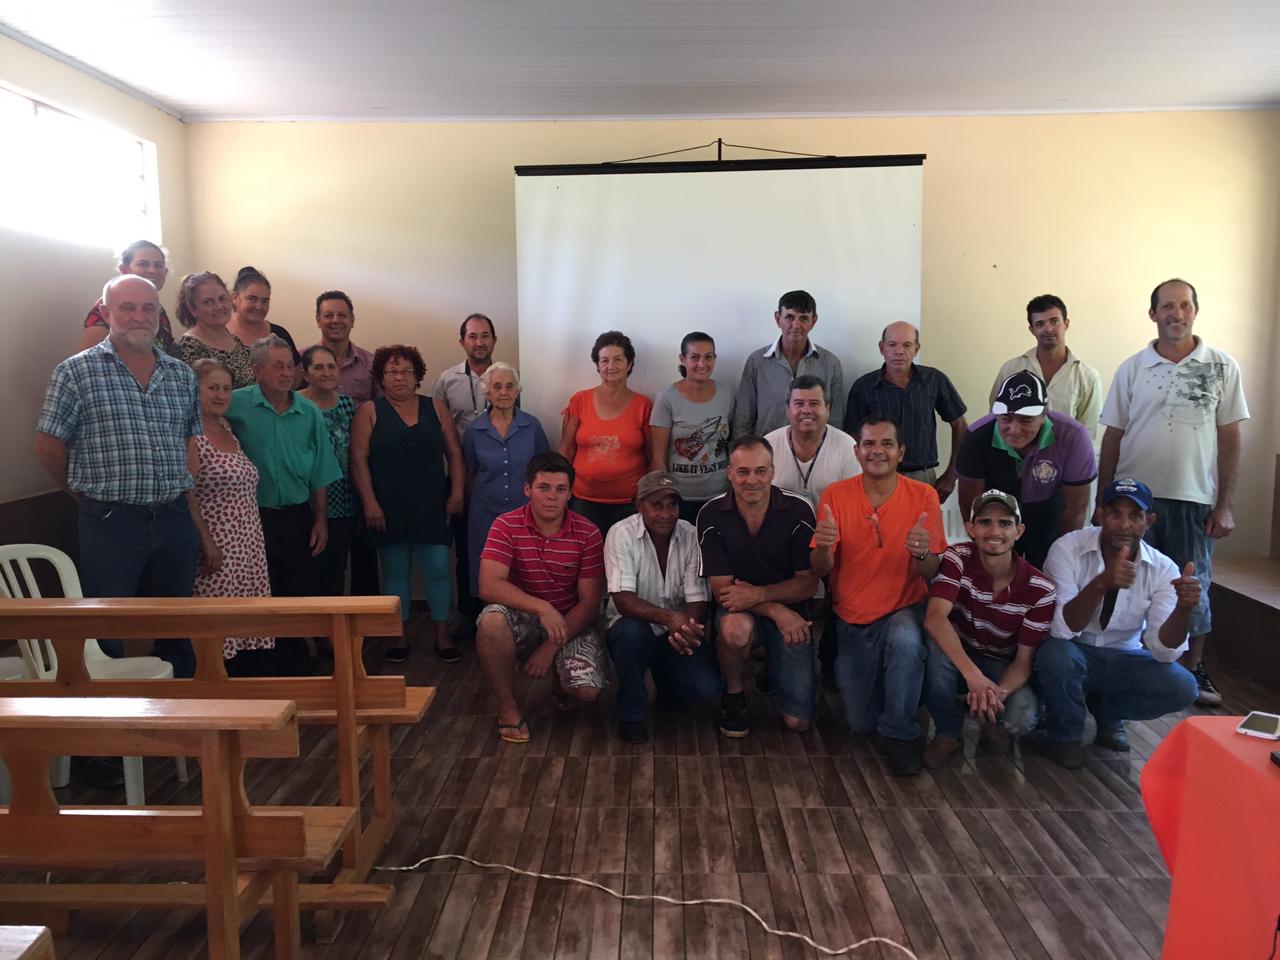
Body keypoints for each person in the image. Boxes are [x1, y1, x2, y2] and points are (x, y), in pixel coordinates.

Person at [36, 274, 200, 678]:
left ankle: (183, 713)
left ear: (159, 316)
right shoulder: (75, 373)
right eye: (127, 307)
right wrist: (78, 495)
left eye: (148, 308)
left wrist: (184, 484)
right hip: (111, 522)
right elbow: (48, 447)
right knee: (106, 626)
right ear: (107, 313)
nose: (139, 316)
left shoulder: (181, 375)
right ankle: (111, 727)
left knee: (179, 622)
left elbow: (190, 441)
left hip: (174, 518)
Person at [1096, 278, 1249, 707]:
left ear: (1195, 311)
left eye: (1183, 306)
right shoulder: (1132, 368)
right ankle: (1121, 659)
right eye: (1166, 306)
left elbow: (1231, 437)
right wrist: (1101, 499)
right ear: (1153, 314)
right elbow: (1114, 435)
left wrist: (1226, 504)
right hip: (1132, 500)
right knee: (1124, 580)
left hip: (1192, 499)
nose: (1175, 314)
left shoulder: (1222, 367)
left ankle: (1192, 669)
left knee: (1191, 582)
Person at [812, 414, 946, 776]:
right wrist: (823, 546)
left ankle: (901, 734)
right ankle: (903, 695)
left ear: (901, 452)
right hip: (852, 619)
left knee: (905, 640)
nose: (877, 451)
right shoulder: (835, 495)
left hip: (904, 608)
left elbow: (930, 571)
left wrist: (921, 553)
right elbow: (821, 568)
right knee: (859, 722)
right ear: (856, 451)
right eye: (869, 444)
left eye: (887, 444)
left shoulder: (924, 496)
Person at [1035, 478, 1201, 769]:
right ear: (1100, 515)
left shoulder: (1164, 569)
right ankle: (1065, 735)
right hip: (1076, 651)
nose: (1124, 525)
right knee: (1055, 655)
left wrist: (1184, 610)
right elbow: (1061, 629)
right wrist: (1101, 583)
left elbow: (1164, 652)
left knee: (1183, 687)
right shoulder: (1067, 548)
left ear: (1149, 521)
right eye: (1115, 513)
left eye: (1135, 516)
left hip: (1125, 656)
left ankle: (1108, 712)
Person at [225, 335, 340, 675]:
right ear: (256, 371)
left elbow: (321, 470)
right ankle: (259, 667)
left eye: (290, 365)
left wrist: (321, 521)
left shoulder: (309, 413)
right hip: (250, 518)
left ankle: (295, 666)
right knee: (259, 591)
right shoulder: (234, 404)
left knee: (296, 589)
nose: (287, 372)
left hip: (296, 515)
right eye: (278, 366)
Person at [475, 452, 609, 743]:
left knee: (587, 691)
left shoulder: (588, 533)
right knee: (491, 622)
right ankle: (508, 707)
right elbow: (488, 585)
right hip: (525, 616)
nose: (552, 497)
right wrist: (541, 607)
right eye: (543, 488)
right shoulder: (505, 525)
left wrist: (549, 648)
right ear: (528, 489)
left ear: (571, 493)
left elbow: (589, 603)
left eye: (560, 489)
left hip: (569, 622)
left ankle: (562, 680)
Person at [921, 490, 1055, 768]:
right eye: (985, 522)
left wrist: (993, 694)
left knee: (1022, 716)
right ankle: (948, 732)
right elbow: (935, 618)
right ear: (970, 529)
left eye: (1005, 523)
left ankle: (991, 720)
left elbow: (1023, 662)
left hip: (1001, 666)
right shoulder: (956, 557)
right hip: (958, 656)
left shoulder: (1041, 589)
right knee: (935, 648)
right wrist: (973, 676)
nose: (995, 531)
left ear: (1019, 531)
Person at [698, 436, 818, 738]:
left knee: (797, 723)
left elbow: (808, 583)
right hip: (742, 610)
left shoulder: (800, 510)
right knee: (735, 629)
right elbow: (723, 592)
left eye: (760, 471)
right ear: (729, 473)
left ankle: (773, 671)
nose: (752, 480)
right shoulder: (711, 514)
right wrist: (776, 609)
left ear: (773, 471)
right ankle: (734, 694)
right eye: (743, 472)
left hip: (792, 614)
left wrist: (762, 596)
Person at [351, 345, 464, 664]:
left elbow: (454, 453)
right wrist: (370, 503)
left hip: (432, 503)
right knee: (395, 572)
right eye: (391, 371)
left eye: (406, 371)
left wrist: (456, 492)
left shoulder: (436, 407)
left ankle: (442, 636)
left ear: (417, 377)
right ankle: (397, 636)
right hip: (387, 506)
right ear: (381, 377)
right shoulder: (369, 411)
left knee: (439, 570)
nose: (399, 377)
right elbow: (358, 459)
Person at [605, 471, 720, 744]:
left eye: (672, 505)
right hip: (634, 627)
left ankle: (668, 683)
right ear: (639, 505)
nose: (666, 514)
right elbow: (623, 599)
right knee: (631, 634)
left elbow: (697, 600)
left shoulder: (691, 535)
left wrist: (685, 632)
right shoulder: (620, 534)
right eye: (657, 505)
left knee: (707, 688)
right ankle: (632, 713)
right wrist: (670, 618)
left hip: (677, 631)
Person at [186, 359, 276, 677]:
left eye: (226, 388)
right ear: (194, 390)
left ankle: (242, 689)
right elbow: (188, 493)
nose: (221, 394)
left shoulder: (227, 429)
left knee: (243, 620)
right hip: (217, 544)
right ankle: (215, 689)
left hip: (247, 542)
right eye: (212, 388)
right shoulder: (191, 435)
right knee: (217, 622)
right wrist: (206, 542)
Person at [955, 370, 1096, 568]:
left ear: (1044, 416)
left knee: (1048, 581)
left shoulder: (1073, 436)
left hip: (1050, 517)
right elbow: (970, 505)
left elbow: (1076, 509)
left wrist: (1064, 556)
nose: (1014, 429)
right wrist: (987, 549)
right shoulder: (977, 436)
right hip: (998, 519)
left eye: (1026, 420)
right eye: (1006, 418)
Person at [433, 313, 502, 638]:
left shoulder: (506, 377)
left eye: (485, 335)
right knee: (467, 548)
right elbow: (441, 433)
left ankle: (507, 616)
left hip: (497, 479)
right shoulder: (446, 382)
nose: (479, 342)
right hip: (461, 479)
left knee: (506, 549)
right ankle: (469, 614)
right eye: (472, 336)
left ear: (494, 340)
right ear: (462, 341)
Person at [844, 322, 967, 503]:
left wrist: (951, 475)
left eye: (907, 345)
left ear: (917, 349)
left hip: (922, 477)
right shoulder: (863, 387)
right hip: (876, 476)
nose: (899, 351)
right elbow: (851, 435)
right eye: (892, 344)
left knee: (922, 530)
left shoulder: (934, 380)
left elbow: (960, 425)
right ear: (882, 348)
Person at [463, 361, 550, 599]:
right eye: (497, 386)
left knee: (527, 570)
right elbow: (470, 472)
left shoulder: (532, 426)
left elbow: (544, 470)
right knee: (487, 570)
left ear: (517, 390)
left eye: (510, 386)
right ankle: (490, 625)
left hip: (526, 513)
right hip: (485, 514)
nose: (504, 392)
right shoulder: (474, 430)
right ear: (487, 391)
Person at [559, 330, 654, 538]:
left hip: (629, 504)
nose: (611, 366)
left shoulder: (643, 405)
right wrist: (560, 491)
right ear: (598, 365)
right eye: (604, 361)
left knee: (624, 565)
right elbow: (565, 449)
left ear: (629, 364)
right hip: (583, 501)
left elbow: (652, 456)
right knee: (587, 564)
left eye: (618, 359)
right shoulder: (579, 401)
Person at [989, 294, 1103, 440]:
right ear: (1032, 329)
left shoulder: (1088, 376)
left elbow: (1087, 431)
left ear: (1066, 324)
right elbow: (996, 417)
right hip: (1016, 458)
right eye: (1040, 324)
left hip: (1064, 458)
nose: (1048, 329)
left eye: (1054, 321)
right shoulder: (1011, 369)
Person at [649, 331, 735, 525]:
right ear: (683, 359)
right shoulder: (667, 397)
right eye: (694, 357)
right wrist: (665, 499)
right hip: (680, 498)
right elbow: (657, 457)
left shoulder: (727, 394)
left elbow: (729, 443)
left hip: (720, 496)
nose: (701, 364)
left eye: (708, 357)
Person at [733, 290, 845, 437]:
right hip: (766, 454)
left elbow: (835, 422)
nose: (796, 325)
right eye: (790, 317)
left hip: (815, 455)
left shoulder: (831, 364)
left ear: (814, 321)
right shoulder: (757, 362)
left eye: (804, 318)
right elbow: (743, 419)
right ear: (778, 319)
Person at [300, 345, 357, 603]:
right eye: (318, 367)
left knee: (335, 572)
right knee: (306, 571)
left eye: (331, 366)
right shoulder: (295, 404)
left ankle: (329, 638)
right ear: (306, 372)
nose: (326, 373)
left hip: (344, 503)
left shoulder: (348, 405)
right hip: (304, 504)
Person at [764, 375, 860, 509]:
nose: (806, 410)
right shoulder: (767, 445)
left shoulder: (847, 447)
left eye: (814, 403)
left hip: (832, 527)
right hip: (781, 528)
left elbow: (854, 503)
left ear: (828, 409)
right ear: (787, 410)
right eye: (799, 403)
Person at [77, 239, 178, 356]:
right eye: (143, 264)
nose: (152, 270)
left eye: (158, 265)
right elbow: (88, 362)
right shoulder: (109, 307)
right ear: (124, 270)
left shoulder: (159, 310)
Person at [176, 272, 254, 388]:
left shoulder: (235, 341)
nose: (219, 307)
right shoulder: (189, 346)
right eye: (208, 302)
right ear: (192, 309)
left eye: (222, 299)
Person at [226, 266, 302, 372]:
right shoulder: (220, 334)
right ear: (234, 298)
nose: (259, 307)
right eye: (251, 299)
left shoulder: (279, 334)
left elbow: (296, 373)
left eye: (265, 301)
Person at [312, 290, 377, 403]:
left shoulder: (371, 363)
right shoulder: (300, 362)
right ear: (318, 320)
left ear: (352, 320)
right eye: (328, 315)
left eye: (342, 315)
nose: (335, 320)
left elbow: (381, 407)